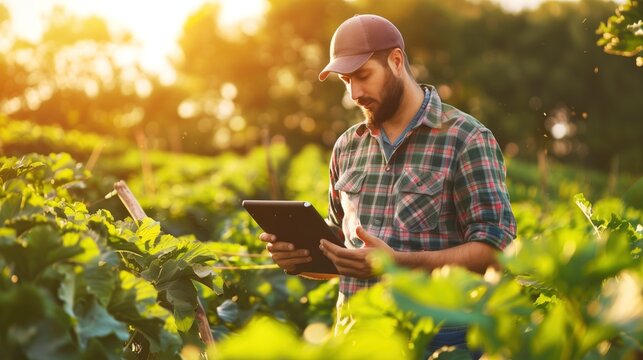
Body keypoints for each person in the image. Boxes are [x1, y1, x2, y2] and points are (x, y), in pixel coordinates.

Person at [259, 14, 516, 359]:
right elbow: (343, 243)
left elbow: (496, 253)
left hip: (438, 344)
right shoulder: (347, 147)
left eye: (363, 76)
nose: (354, 94)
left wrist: (396, 263)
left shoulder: (466, 139)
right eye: (345, 81)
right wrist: (300, 258)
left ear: (396, 61)